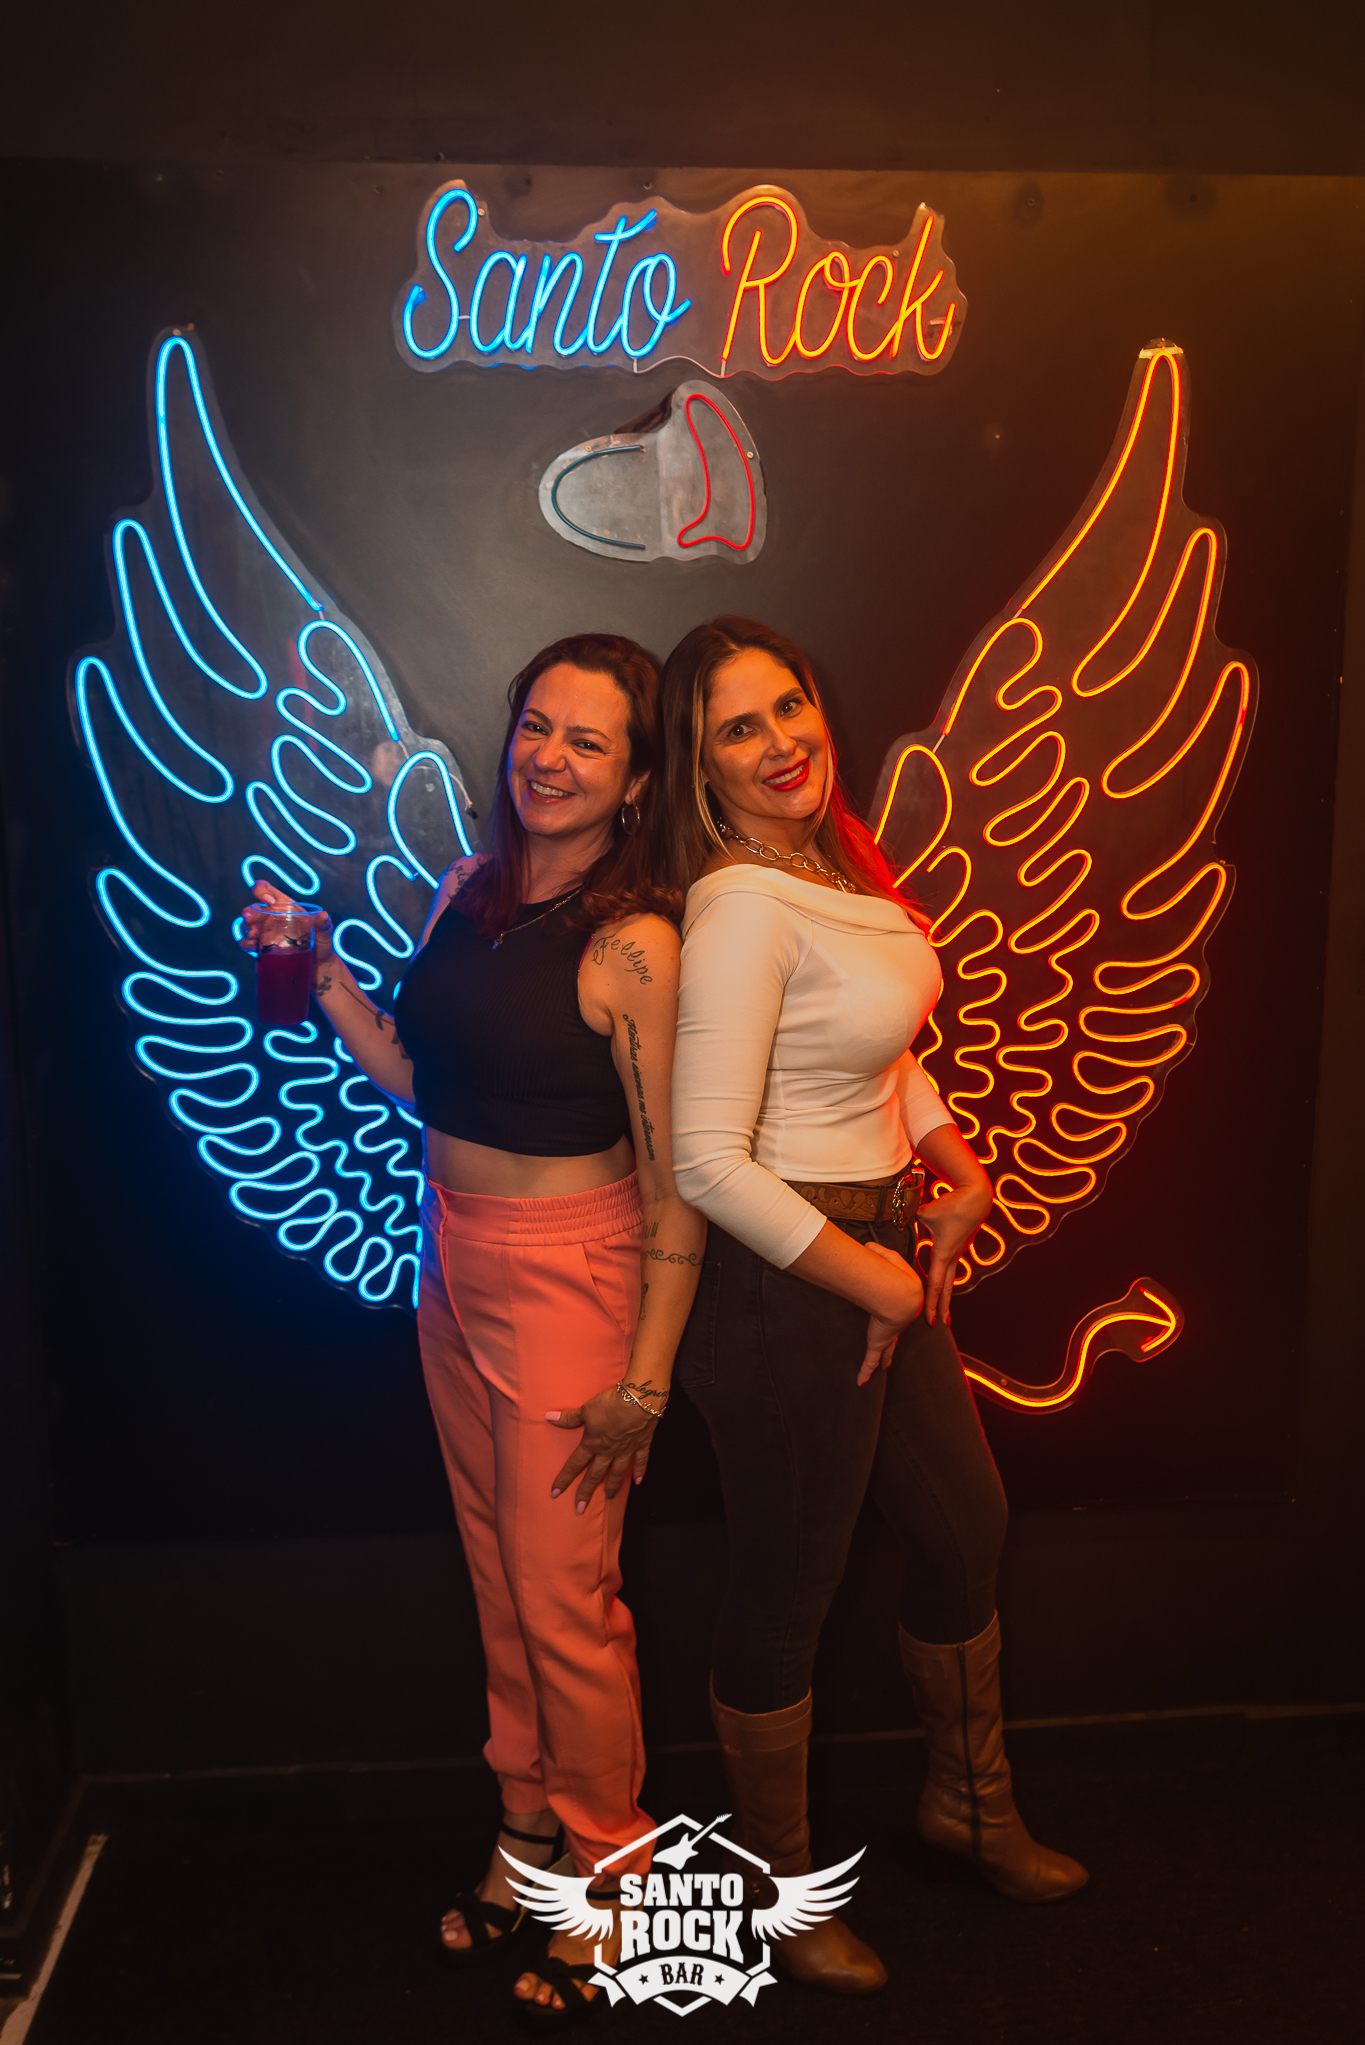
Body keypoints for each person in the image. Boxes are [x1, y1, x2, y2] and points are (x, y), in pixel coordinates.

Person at [243, 633, 704, 2025]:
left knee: (568, 1602)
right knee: (502, 1580)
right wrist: (323, 975)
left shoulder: (634, 943)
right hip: (450, 1262)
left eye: (588, 741)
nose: (548, 758)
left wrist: (646, 1379)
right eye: (536, 726)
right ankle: (527, 1828)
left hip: (577, 1279)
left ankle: (615, 1871)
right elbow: (421, 1079)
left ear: (635, 780)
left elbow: (674, 1182)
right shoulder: (466, 890)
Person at [659, 617, 1087, 1996]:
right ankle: (782, 1897)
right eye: (739, 727)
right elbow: (705, 1159)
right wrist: (879, 1275)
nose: (781, 740)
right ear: (700, 766)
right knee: (788, 1591)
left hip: (873, 1250)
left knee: (964, 1526)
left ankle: (969, 1805)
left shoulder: (831, 868)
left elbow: (878, 1051)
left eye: (789, 704)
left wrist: (955, 1163)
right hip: (785, 1280)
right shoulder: (739, 904)